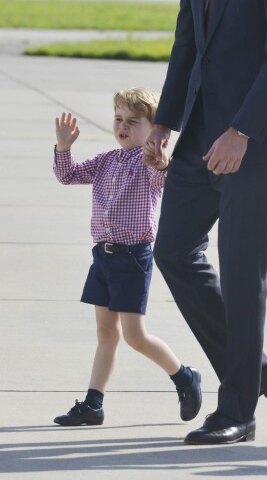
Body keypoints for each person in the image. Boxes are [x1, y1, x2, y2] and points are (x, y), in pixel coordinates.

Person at [144, 0, 267, 445]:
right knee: (171, 250)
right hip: (195, 133)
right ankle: (252, 368)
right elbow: (187, 42)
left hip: (252, 138)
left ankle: (238, 408)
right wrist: (163, 123)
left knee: (240, 272)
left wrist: (242, 131)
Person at [52, 88, 202, 427]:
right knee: (106, 333)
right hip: (102, 258)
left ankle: (184, 376)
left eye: (134, 122)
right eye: (119, 119)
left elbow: (161, 175)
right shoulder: (107, 159)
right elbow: (68, 175)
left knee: (135, 336)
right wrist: (64, 148)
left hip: (132, 258)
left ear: (154, 129)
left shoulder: (148, 163)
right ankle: (93, 404)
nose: (123, 126)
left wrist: (161, 159)